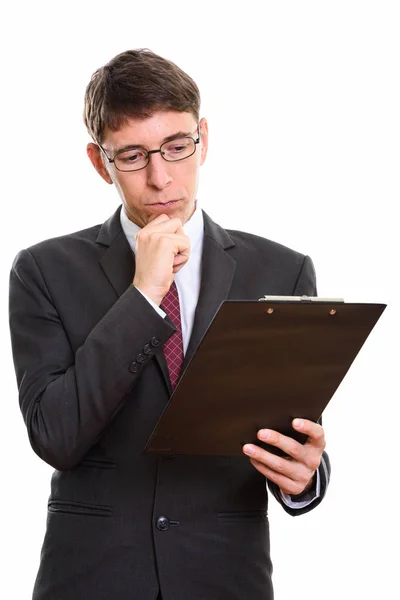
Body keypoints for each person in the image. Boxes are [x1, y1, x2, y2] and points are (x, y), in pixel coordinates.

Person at [9, 49, 331, 600]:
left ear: (203, 137)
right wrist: (143, 295)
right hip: (91, 579)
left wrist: (307, 476)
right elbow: (55, 435)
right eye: (133, 156)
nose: (161, 178)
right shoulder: (43, 270)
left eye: (178, 147)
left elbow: (289, 425)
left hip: (225, 578)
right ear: (98, 161)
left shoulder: (281, 269)